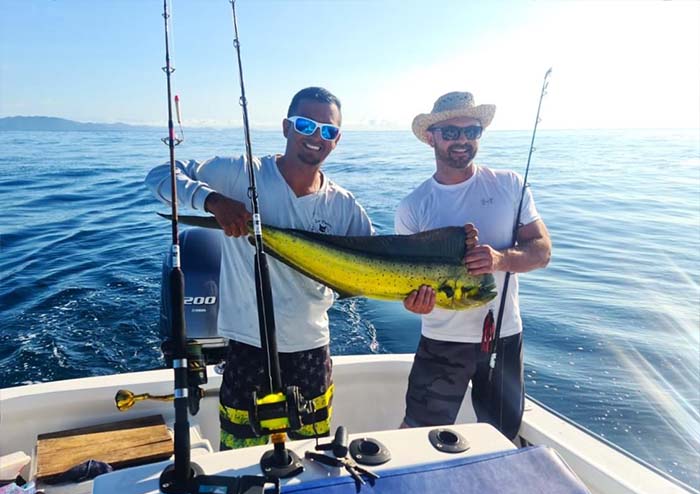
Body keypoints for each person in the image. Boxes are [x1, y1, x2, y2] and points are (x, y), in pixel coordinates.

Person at [146, 87, 373, 450]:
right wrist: (213, 201)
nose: (317, 137)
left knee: (312, 455)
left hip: (312, 347)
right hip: (247, 345)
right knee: (240, 458)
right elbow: (159, 176)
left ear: (337, 139)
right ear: (286, 127)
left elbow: (371, 269)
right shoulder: (241, 173)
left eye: (327, 131)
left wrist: (414, 298)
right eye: (306, 125)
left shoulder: (345, 207)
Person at [396, 91, 551, 439]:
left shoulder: (510, 185)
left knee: (501, 434)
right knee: (417, 435)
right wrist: (413, 304)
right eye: (451, 132)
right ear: (431, 137)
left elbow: (541, 251)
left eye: (472, 131)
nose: (462, 140)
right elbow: (407, 290)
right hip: (442, 340)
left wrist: (500, 259)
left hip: (503, 336)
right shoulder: (414, 206)